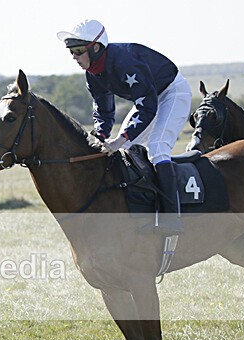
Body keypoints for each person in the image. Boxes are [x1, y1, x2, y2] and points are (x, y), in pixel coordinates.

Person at [56, 19, 192, 235]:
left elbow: (147, 106)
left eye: (79, 50)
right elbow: (103, 110)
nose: (75, 57)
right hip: (149, 99)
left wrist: (121, 138)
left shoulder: (125, 62)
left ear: (97, 47)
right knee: (125, 153)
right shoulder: (92, 74)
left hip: (172, 92)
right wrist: (100, 135)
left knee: (157, 148)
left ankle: (172, 219)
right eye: (71, 51)